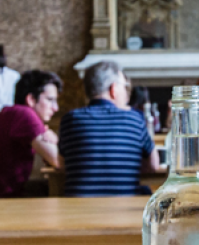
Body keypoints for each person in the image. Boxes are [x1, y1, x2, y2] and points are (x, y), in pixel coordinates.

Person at [59, 60, 163, 196]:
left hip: (78, 210)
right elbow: (154, 165)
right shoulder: (134, 118)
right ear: (113, 89)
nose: (127, 93)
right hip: (123, 210)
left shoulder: (70, 119)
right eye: (124, 86)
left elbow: (62, 165)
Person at [0, 69, 61, 208]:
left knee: (48, 189)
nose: (55, 108)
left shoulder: (14, 113)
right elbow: (57, 160)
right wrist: (56, 141)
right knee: (61, 193)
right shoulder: (25, 115)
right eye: (50, 100)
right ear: (31, 99)